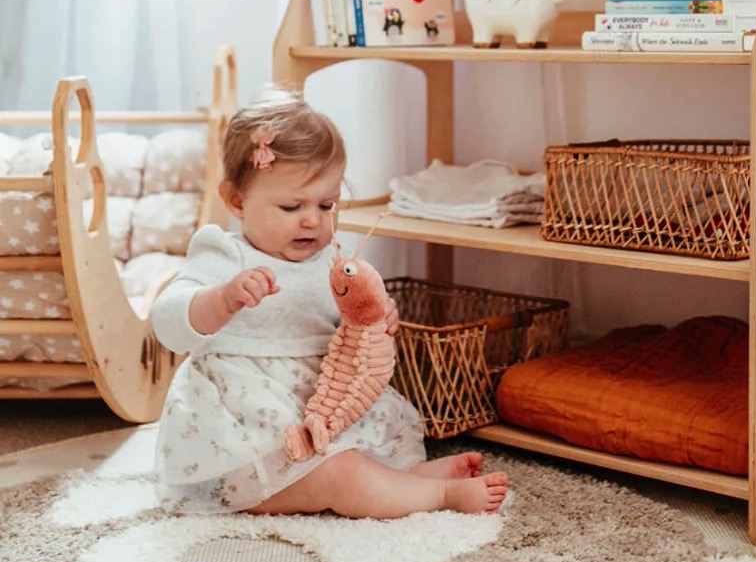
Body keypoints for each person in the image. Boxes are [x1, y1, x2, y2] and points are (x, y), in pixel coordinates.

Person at [151, 90, 509, 517]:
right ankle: (438, 496)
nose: (312, 220)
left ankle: (405, 476)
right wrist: (221, 299)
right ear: (236, 201)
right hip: (250, 424)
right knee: (339, 474)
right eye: (291, 206)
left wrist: (376, 318)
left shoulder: (332, 261)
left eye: (327, 204)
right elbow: (167, 321)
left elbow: (352, 320)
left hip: (324, 404)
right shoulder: (225, 255)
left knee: (357, 456)